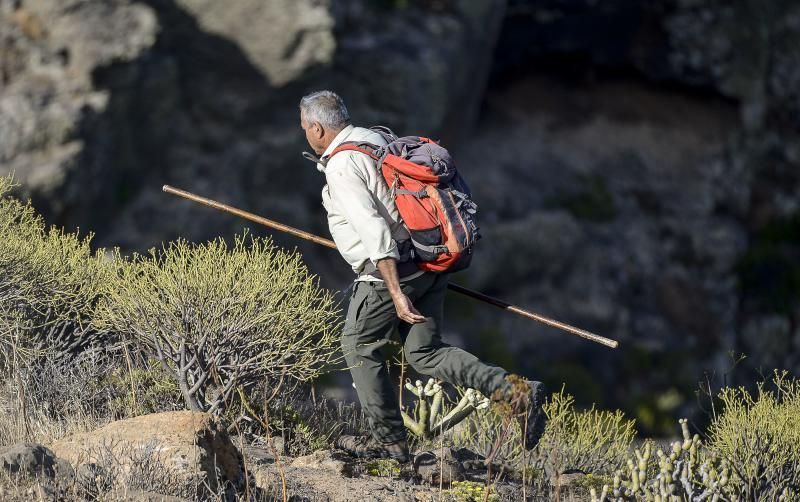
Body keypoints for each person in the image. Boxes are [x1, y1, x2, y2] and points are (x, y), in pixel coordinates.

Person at [299, 90, 546, 463]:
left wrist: (395, 291)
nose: (305, 135)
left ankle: (389, 444)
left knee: (358, 345)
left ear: (316, 128)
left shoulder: (341, 165)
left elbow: (373, 229)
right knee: (424, 352)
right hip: (427, 264)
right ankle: (515, 393)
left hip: (390, 272)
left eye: (304, 128)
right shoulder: (376, 138)